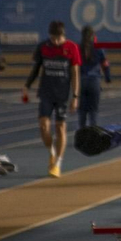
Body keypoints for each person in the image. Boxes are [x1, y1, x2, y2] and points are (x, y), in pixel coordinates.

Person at [24, 20, 80, 178]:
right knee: (43, 126)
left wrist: (75, 96)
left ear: (64, 36)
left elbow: (75, 74)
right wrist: (27, 85)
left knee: (60, 127)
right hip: (46, 93)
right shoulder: (43, 47)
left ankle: (58, 164)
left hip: (62, 95)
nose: (55, 42)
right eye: (53, 38)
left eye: (58, 39)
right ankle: (52, 152)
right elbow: (36, 69)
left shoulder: (72, 48)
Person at [77, 26, 110, 130]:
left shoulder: (78, 48)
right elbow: (105, 64)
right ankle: (93, 132)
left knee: (82, 111)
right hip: (94, 81)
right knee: (93, 111)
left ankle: (81, 132)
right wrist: (107, 78)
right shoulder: (98, 48)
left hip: (81, 81)